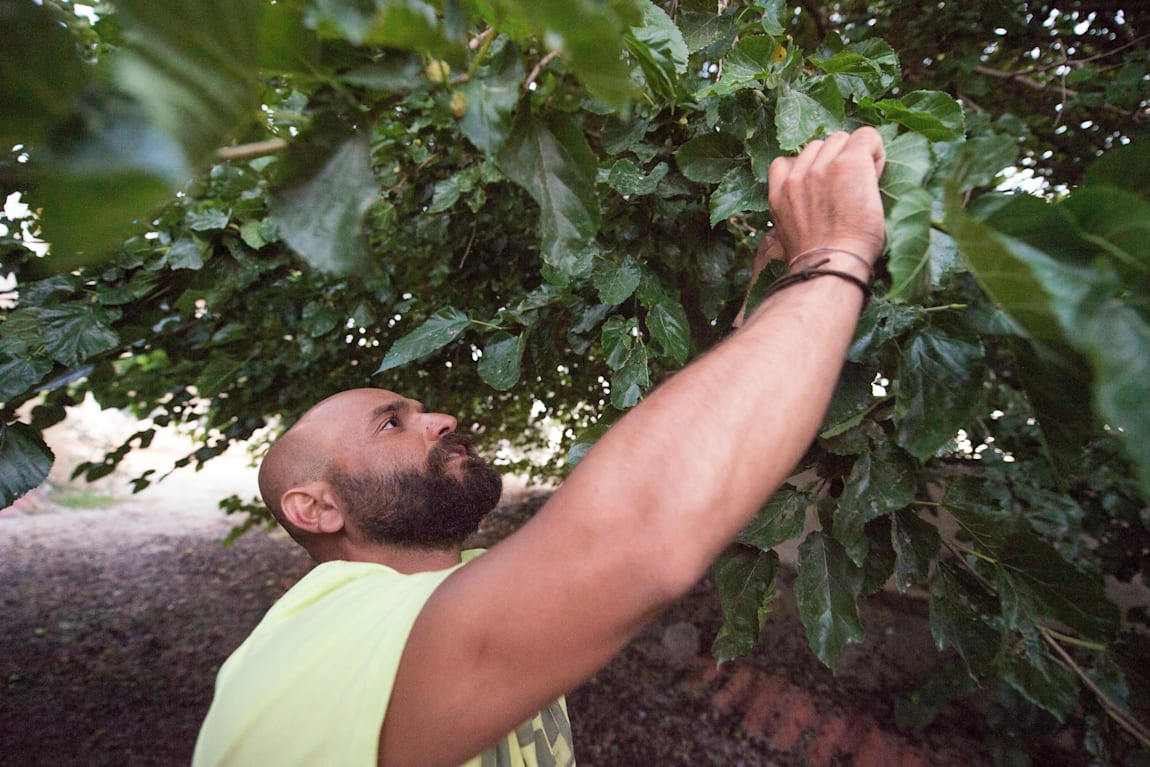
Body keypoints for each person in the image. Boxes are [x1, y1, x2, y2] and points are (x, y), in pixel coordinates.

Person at [192, 127, 887, 767]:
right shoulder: (316, 642)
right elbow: (639, 533)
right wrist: (832, 254)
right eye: (390, 423)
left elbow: (696, 474)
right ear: (315, 507)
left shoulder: (450, 592)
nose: (438, 418)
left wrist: (769, 308)